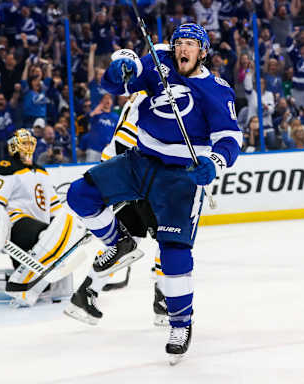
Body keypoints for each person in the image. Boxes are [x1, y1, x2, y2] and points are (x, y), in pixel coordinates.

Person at [66, 24, 242, 362]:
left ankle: (180, 323)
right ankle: (118, 243)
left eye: (190, 45)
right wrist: (119, 73)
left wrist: (216, 162)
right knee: (80, 195)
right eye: (179, 44)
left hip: (181, 177)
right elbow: (114, 84)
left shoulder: (216, 89)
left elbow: (231, 138)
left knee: (174, 250)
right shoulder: (159, 60)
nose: (182, 49)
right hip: (139, 160)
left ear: (202, 52)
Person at [65, 91, 168, 328]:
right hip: (135, 176)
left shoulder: (150, 93)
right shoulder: (151, 97)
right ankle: (164, 300)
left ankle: (86, 293)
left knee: (126, 244)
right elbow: (125, 141)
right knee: (169, 237)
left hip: (128, 173)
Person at [0, 129, 87, 307]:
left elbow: (54, 209)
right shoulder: (7, 168)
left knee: (57, 253)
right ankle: (21, 284)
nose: (28, 147)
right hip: (17, 226)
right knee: (47, 236)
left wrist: (73, 232)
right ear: (14, 146)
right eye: (24, 143)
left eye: (30, 143)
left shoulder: (41, 171)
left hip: (40, 232)